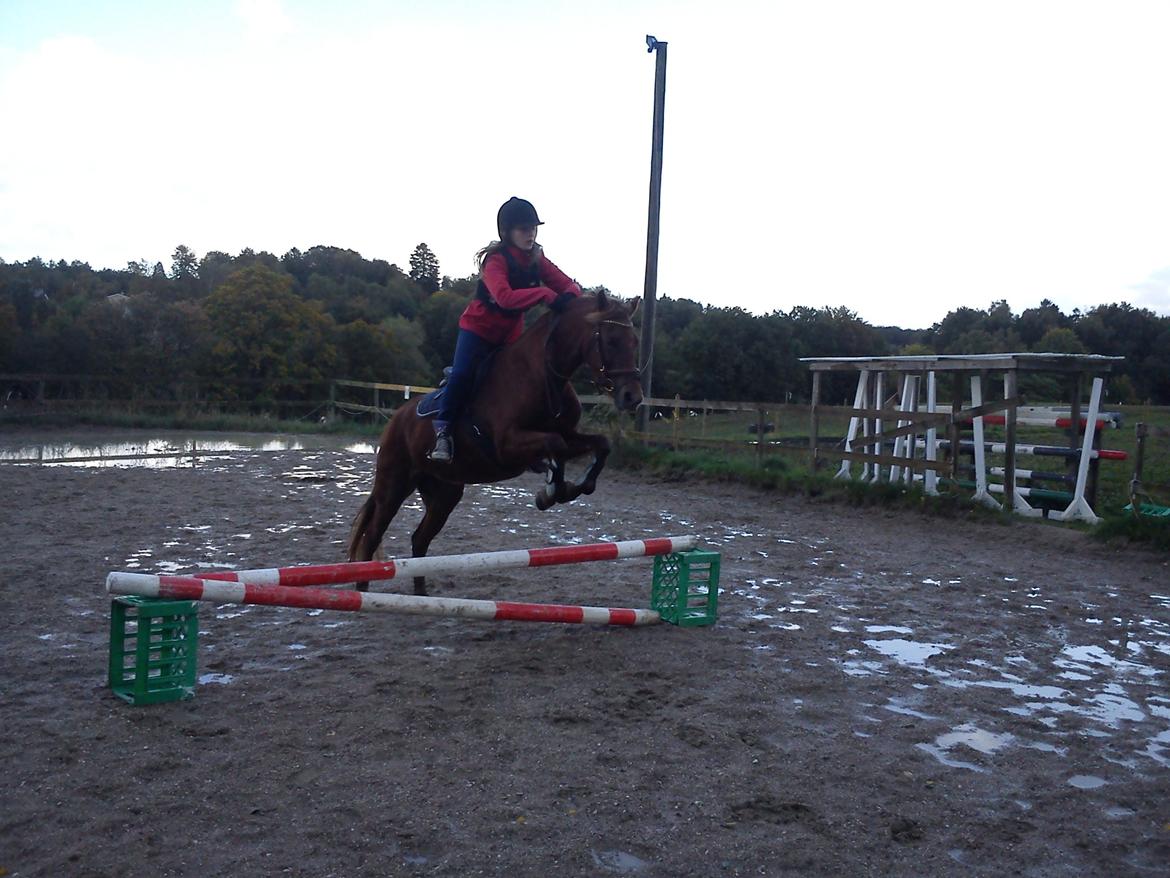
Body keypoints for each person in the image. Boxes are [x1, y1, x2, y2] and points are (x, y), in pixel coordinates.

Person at [428, 196, 581, 463]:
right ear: (507, 232)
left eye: (533, 228)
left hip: (509, 336)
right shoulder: (495, 261)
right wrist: (545, 294)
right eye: (524, 229)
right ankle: (443, 431)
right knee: (463, 374)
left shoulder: (536, 259)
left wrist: (570, 296)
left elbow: (570, 284)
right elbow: (505, 298)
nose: (530, 234)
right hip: (477, 330)